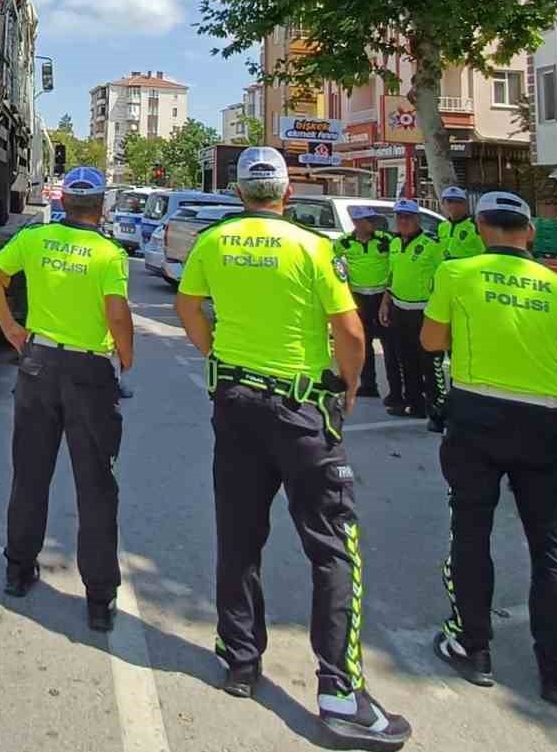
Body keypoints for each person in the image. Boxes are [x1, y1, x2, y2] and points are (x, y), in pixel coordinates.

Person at [174, 147, 411, 751]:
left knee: (239, 532)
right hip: (301, 409)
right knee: (333, 546)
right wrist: (351, 382)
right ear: (286, 190)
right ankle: (339, 693)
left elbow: (187, 306)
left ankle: (240, 659)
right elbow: (350, 330)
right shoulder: (313, 246)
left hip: (235, 404)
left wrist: (216, 356)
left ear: (237, 191)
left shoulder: (215, 241)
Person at [419, 191, 557, 708]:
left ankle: (473, 648)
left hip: (475, 418)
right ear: (530, 232)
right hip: (543, 423)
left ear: (478, 229)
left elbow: (431, 341)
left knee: (471, 532)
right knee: (551, 545)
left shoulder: (458, 275)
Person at [0, 166, 135, 632]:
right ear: (101, 205)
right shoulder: (108, 254)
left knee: (30, 474)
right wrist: (126, 356)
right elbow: (117, 313)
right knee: (96, 486)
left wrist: (11, 329)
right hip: (89, 371)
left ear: (64, 201)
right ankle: (99, 599)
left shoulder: (35, 239)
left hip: (37, 363)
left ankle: (18, 569)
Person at [379, 200, 445, 424]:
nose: (403, 221)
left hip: (424, 311)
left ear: (417, 219)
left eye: (408, 217)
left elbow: (443, 277)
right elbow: (392, 275)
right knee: (406, 359)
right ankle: (414, 403)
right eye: (399, 217)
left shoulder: (432, 244)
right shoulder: (395, 243)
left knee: (429, 362)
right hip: (399, 309)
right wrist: (385, 302)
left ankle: (436, 407)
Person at [335, 206, 400, 405]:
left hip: (382, 298)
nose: (371, 224)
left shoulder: (385, 240)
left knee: (390, 345)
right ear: (356, 222)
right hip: (359, 297)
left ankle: (396, 390)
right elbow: (330, 259)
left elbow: (398, 261)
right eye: (366, 220)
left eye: (372, 220)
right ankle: (369, 385)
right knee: (363, 342)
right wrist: (341, 280)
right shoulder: (345, 241)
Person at [437, 186, 487, 260]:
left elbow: (485, 252)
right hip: (445, 269)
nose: (454, 205)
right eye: (449, 201)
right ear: (443, 204)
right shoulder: (442, 226)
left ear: (465, 204)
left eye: (458, 202)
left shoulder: (475, 226)